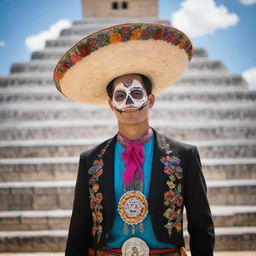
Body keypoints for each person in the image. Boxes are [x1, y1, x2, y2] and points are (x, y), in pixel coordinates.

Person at [53, 22, 215, 256]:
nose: (128, 102)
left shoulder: (184, 156)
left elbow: (201, 226)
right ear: (111, 104)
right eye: (120, 96)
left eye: (136, 93)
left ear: (150, 100)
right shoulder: (91, 161)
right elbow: (79, 227)